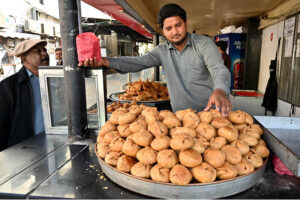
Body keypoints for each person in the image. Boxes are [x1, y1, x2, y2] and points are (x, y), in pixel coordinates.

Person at [79, 3, 231, 116]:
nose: (175, 32)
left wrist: (220, 90)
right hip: (181, 117)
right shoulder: (162, 51)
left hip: (211, 115)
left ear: (185, 23)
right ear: (163, 31)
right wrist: (106, 62)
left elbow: (219, 70)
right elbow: (138, 62)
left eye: (178, 25)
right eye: (169, 28)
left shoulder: (203, 44)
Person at [0, 39, 48, 151]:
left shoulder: (54, 79)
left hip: (53, 145)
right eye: (38, 51)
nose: (44, 53)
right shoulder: (7, 87)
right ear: (24, 58)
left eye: (44, 50)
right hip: (24, 151)